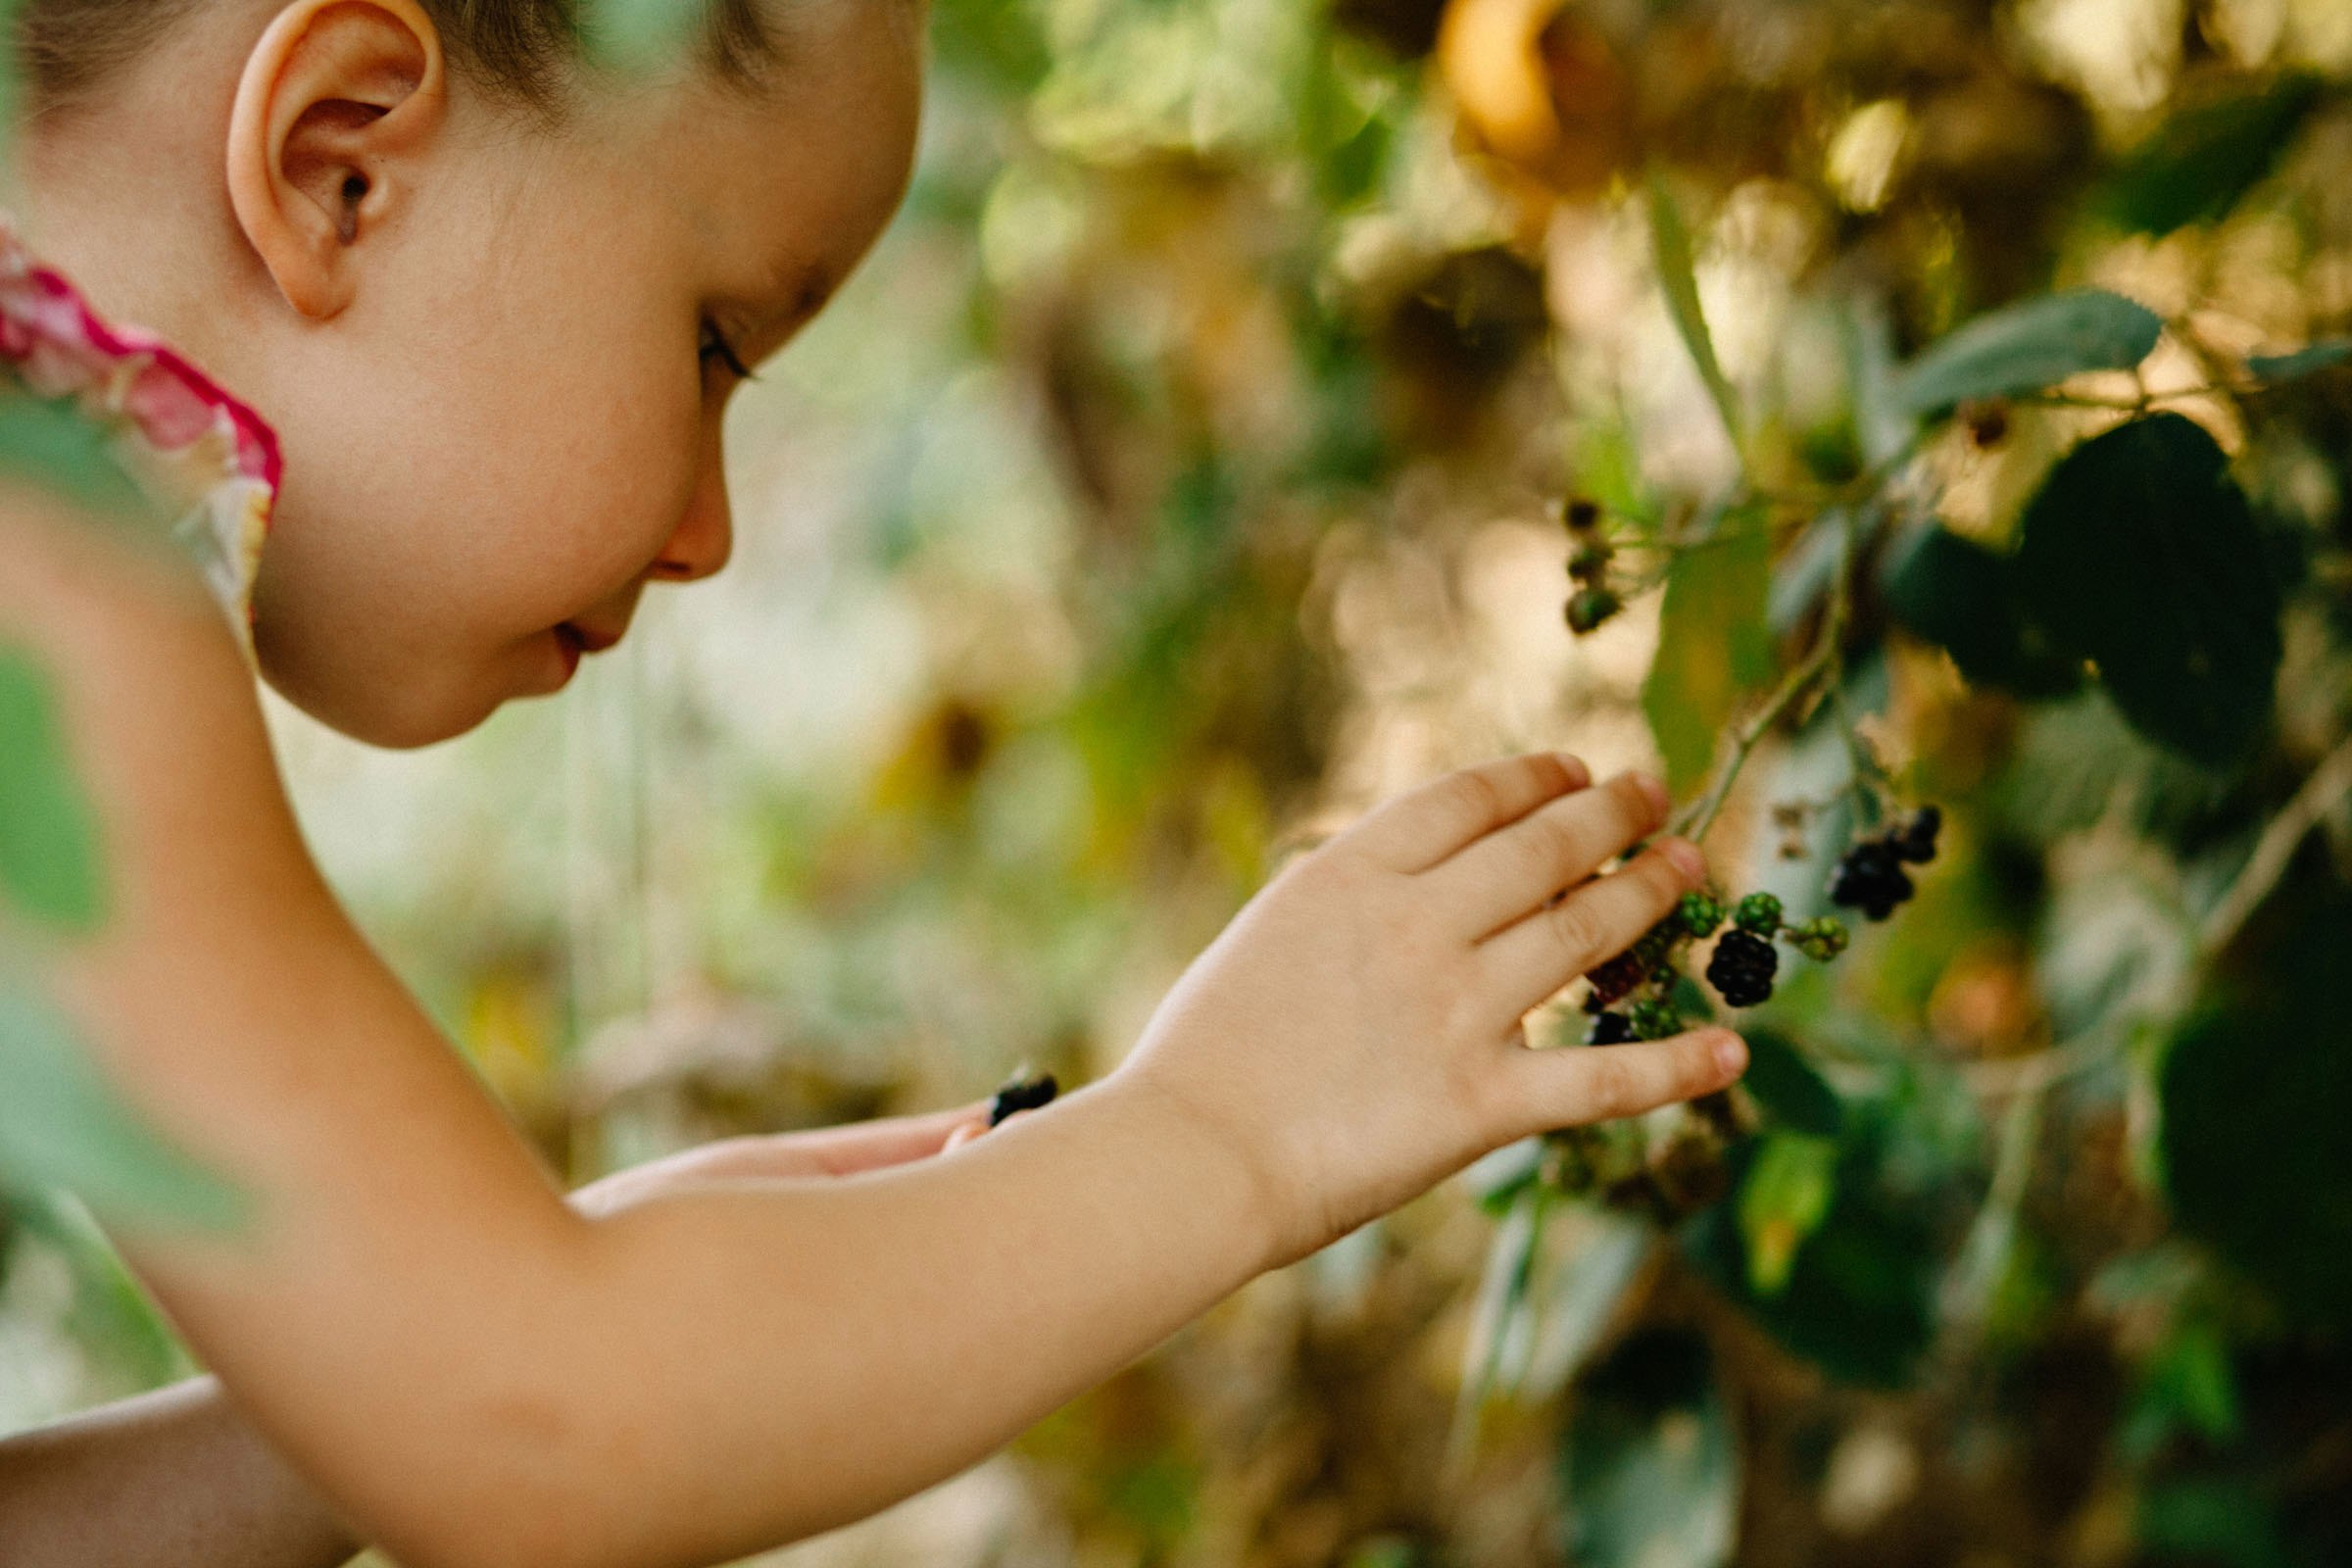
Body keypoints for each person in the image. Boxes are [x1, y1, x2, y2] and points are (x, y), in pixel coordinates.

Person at [0, 1, 1747, 1564]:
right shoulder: (47, 570)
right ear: (341, 161)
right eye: (712, 346)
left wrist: (384, 1381)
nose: (710, 533)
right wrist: (1221, 1135)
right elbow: (544, 1430)